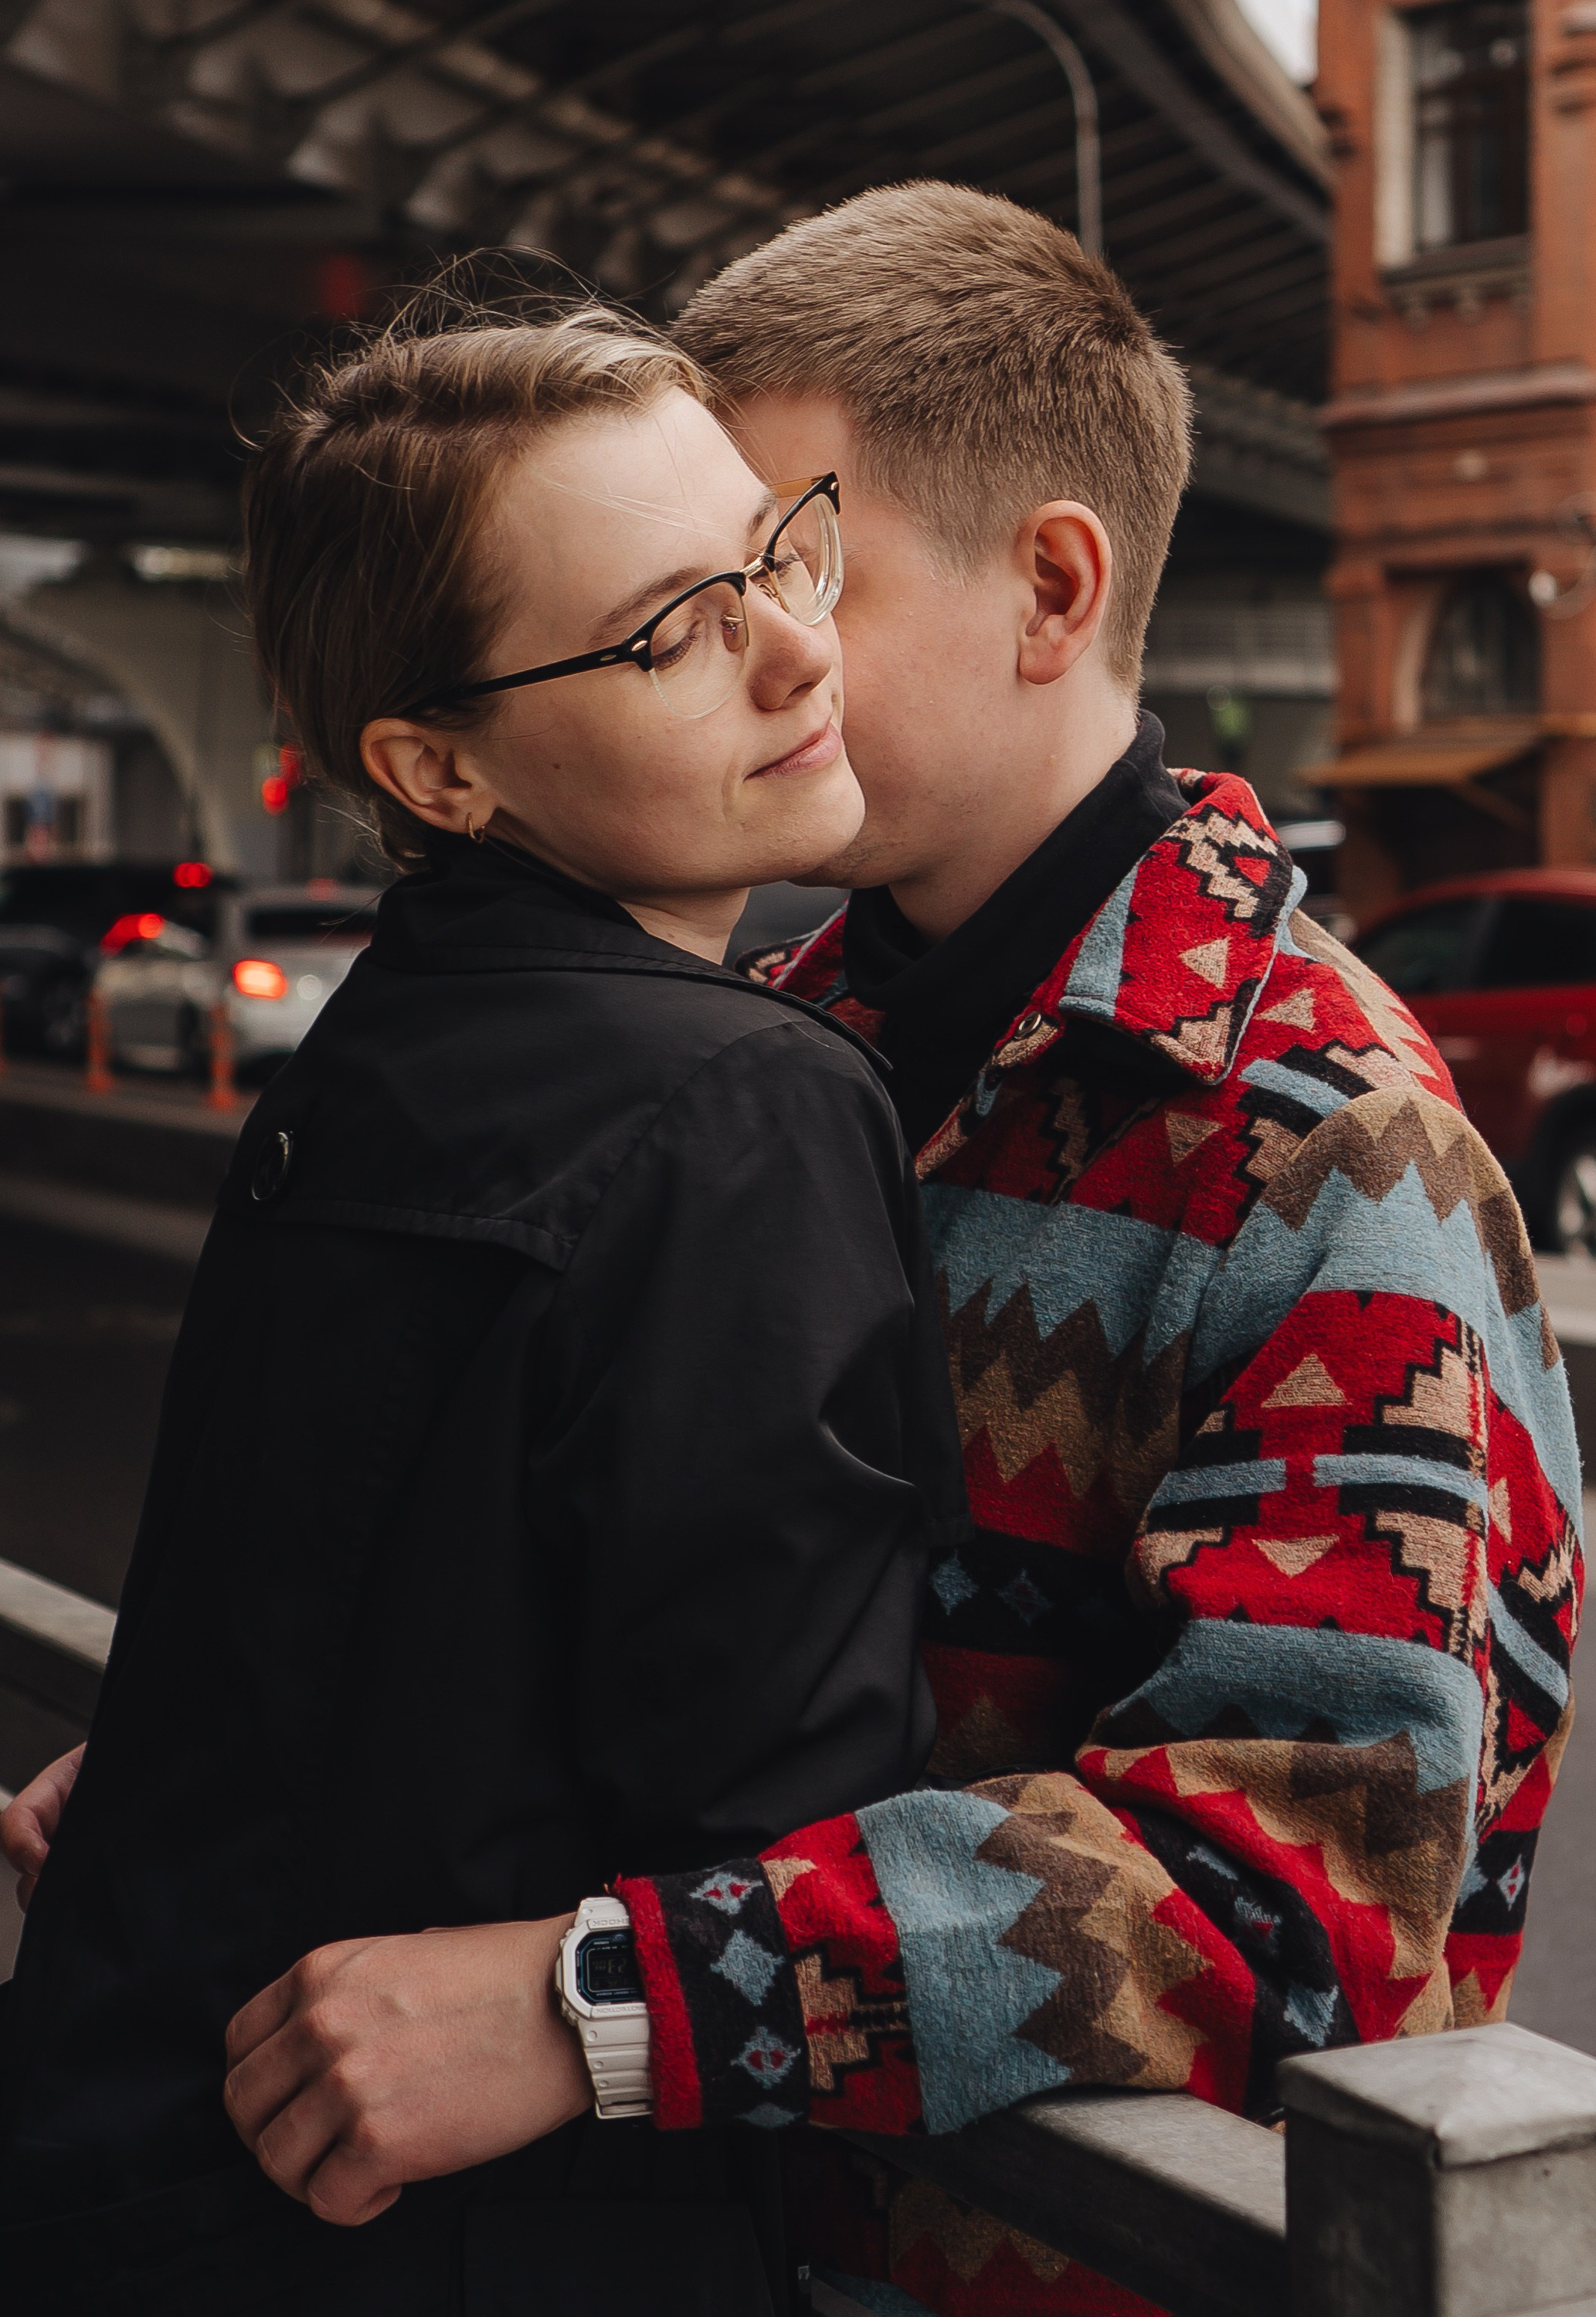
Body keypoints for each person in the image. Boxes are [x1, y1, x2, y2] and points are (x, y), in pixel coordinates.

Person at [10, 188, 1583, 2317]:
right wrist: (319, 1761)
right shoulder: (771, 1042)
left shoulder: (1325, 1148)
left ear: (1051, 586)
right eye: (694, 596)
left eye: (799, 548)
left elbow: (1306, 1885)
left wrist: (604, 2002)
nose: (779, 636)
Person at [0, 295, 965, 2313]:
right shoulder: (742, 1101)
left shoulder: (365, 1066)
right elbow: (783, 1828)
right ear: (436, 767)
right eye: (668, 628)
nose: (801, 644)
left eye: (779, 549)